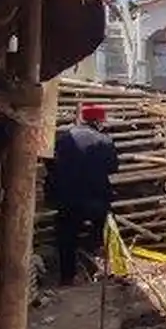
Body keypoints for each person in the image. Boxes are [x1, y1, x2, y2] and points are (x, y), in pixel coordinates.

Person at [47, 103, 118, 285]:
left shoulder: (64, 138)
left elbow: (52, 164)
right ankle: (98, 270)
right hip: (96, 198)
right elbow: (113, 168)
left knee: (67, 238)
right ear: (99, 121)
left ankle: (67, 277)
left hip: (68, 198)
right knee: (98, 235)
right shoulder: (104, 140)